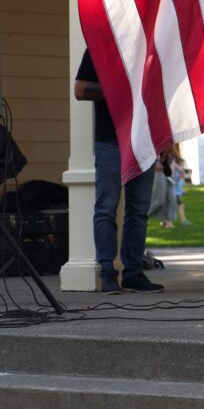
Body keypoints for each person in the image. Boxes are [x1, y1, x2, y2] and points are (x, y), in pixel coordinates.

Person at [74, 49, 163, 294]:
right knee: (106, 207)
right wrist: (121, 88)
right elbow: (80, 90)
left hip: (144, 140)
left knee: (139, 211)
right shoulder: (99, 45)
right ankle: (108, 274)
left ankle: (133, 272)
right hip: (110, 140)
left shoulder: (150, 46)